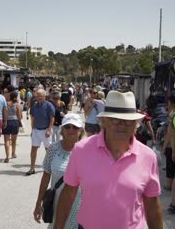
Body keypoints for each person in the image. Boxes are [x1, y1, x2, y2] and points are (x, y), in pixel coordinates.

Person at [55, 91, 162, 229]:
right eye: (115, 119)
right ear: (103, 122)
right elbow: (68, 192)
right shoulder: (81, 150)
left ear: (136, 124)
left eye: (128, 121)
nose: (122, 125)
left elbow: (152, 204)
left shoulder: (148, 156)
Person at [34, 113, 84, 228]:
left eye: (75, 127)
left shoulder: (87, 152)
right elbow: (45, 177)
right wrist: (38, 204)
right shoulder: (53, 148)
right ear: (62, 130)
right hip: (56, 203)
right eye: (68, 126)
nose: (71, 129)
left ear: (80, 130)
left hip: (79, 205)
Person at [27, 89, 55, 176]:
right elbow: (33, 118)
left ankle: (51, 167)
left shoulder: (49, 105)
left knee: (48, 150)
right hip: (36, 130)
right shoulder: (34, 106)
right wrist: (32, 130)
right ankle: (32, 168)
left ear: (44, 96)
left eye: (41, 96)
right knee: (33, 149)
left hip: (46, 130)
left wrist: (49, 130)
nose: (39, 97)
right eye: (38, 96)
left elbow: (52, 118)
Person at [162, 95, 175, 190]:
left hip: (172, 144)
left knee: (171, 165)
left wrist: (164, 146)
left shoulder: (173, 114)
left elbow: (169, 133)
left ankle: (169, 185)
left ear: (171, 102)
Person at [2, 91, 22, 162]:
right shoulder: (17, 105)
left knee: (6, 140)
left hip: (7, 122)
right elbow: (19, 116)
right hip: (15, 122)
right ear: (16, 97)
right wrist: (20, 122)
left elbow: (4, 113)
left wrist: (5, 121)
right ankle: (13, 153)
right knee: (14, 140)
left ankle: (7, 157)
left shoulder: (5, 104)